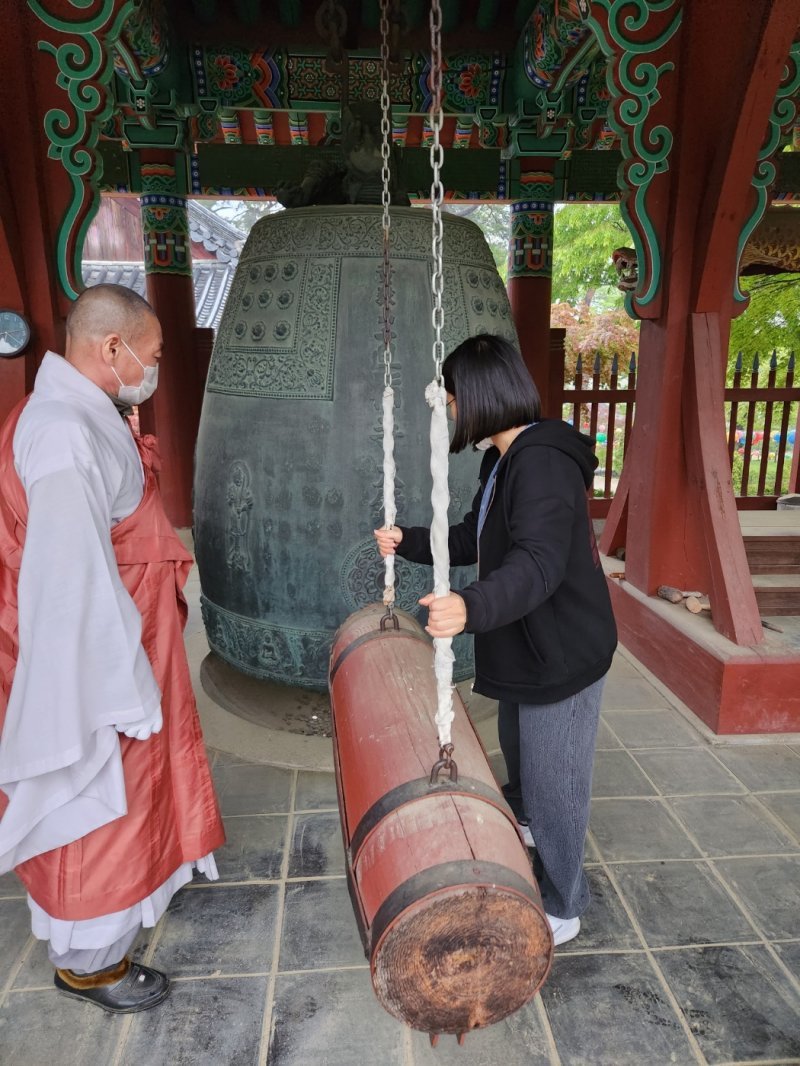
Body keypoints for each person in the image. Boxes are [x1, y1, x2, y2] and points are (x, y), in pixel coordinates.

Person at [0, 284, 225, 1012]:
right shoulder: (62, 432)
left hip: (128, 634)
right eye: (153, 354)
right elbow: (70, 580)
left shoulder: (82, 413)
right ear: (111, 349)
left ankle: (119, 918)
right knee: (98, 796)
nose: (155, 366)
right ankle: (88, 964)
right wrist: (114, 683)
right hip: (96, 654)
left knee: (131, 795)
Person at [374, 333, 617, 947]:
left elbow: (538, 563)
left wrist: (470, 606)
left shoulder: (542, 463)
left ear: (478, 396)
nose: (451, 411)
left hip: (561, 651)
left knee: (556, 785)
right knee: (523, 757)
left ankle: (565, 903)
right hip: (524, 644)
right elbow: (474, 538)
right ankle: (528, 822)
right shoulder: (503, 460)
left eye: (453, 399)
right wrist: (408, 538)